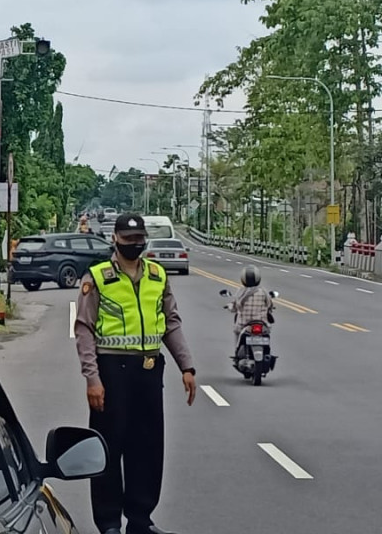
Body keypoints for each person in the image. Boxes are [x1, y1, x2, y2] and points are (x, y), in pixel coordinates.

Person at [74, 213, 197, 534]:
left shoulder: (157, 275)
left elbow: (171, 322)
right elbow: (83, 329)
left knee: (148, 448)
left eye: (140, 239)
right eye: (129, 240)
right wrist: (92, 378)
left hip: (148, 371)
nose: (135, 245)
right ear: (114, 239)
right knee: (109, 448)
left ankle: (141, 520)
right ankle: (110, 522)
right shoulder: (97, 276)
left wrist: (187, 366)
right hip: (111, 372)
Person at [226, 265, 275, 354]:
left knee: (237, 332)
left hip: (244, 324)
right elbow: (269, 304)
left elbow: (234, 306)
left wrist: (230, 307)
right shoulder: (263, 291)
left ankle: (237, 352)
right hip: (261, 323)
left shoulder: (240, 292)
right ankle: (267, 352)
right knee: (266, 334)